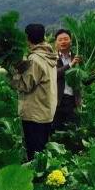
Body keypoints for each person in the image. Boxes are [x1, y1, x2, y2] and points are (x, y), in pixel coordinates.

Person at [10, 23, 58, 161]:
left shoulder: (35, 59)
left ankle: (36, 174)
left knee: (34, 154)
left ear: (28, 38)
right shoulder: (49, 55)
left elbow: (25, 85)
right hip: (46, 111)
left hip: (34, 113)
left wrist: (14, 73)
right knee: (41, 151)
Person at [53, 28, 81, 130]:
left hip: (73, 101)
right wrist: (70, 64)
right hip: (57, 102)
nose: (63, 42)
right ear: (56, 43)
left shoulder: (78, 57)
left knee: (73, 131)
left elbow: (84, 79)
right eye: (60, 40)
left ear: (71, 41)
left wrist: (93, 74)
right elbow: (54, 74)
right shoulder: (52, 58)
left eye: (66, 39)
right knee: (56, 131)